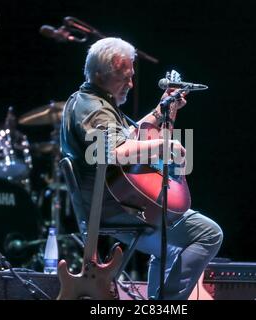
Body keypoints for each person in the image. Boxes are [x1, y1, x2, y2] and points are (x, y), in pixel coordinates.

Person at [60, 37, 223, 300]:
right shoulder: (94, 109)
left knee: (170, 249)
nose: (131, 84)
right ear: (101, 75)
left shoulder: (93, 102)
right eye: (124, 77)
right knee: (209, 233)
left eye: (132, 76)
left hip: (114, 205)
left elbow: (129, 136)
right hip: (118, 209)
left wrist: (162, 110)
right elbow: (114, 152)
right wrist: (164, 145)